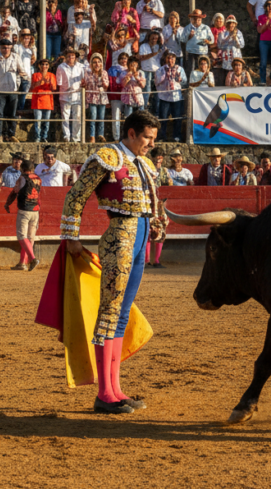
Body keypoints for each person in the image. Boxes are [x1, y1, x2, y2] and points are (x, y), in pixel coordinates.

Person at [59, 110, 162, 414]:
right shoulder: (107, 157)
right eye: (147, 137)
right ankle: (104, 393)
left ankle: (115, 389)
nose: (151, 144)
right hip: (119, 240)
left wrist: (156, 224)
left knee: (121, 315)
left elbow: (149, 204)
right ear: (131, 133)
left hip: (139, 239)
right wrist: (71, 237)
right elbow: (75, 196)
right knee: (110, 313)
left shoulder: (142, 163)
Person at [4, 158, 42, 271]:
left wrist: (7, 203)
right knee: (30, 238)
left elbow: (14, 192)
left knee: (22, 236)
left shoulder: (22, 178)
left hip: (25, 210)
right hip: (35, 210)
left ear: (22, 169)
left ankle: (32, 258)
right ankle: (22, 263)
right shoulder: (38, 178)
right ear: (32, 169)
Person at [155, 51, 187, 141]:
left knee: (177, 117)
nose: (170, 60)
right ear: (165, 59)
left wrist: (180, 79)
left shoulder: (180, 69)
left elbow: (185, 81)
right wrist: (164, 75)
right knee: (163, 118)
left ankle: (177, 136)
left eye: (172, 58)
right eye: (168, 58)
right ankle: (162, 136)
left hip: (177, 97)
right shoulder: (160, 70)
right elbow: (157, 82)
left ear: (175, 59)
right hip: (164, 97)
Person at [57, 48, 85, 143]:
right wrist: (67, 87)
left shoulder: (81, 67)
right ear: (66, 57)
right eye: (69, 56)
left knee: (77, 117)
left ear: (75, 57)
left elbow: (83, 81)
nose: (70, 58)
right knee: (65, 117)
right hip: (65, 95)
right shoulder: (61, 67)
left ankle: (76, 138)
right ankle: (66, 137)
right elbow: (59, 82)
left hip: (77, 95)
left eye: (72, 56)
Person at [83, 52, 111, 144]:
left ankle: (100, 135)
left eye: (99, 62)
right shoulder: (88, 73)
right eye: (94, 62)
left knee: (101, 118)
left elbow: (106, 86)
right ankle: (92, 137)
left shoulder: (104, 73)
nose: (97, 64)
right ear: (91, 64)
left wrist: (101, 76)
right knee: (93, 118)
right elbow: (86, 84)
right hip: (92, 98)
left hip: (101, 98)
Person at [179, 9, 213, 76]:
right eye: (195, 19)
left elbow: (212, 40)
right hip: (191, 52)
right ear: (192, 19)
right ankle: (191, 85)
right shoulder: (187, 28)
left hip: (202, 53)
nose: (197, 21)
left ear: (201, 19)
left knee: (202, 70)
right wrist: (189, 36)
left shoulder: (206, 28)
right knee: (190, 70)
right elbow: (182, 39)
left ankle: (201, 84)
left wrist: (208, 41)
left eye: (199, 19)